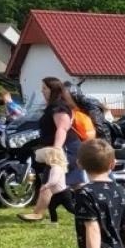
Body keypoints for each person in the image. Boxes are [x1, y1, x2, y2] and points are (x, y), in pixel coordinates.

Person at [18, 77, 91, 223]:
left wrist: (57, 149)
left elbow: (62, 128)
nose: (42, 91)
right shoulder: (54, 106)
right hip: (66, 147)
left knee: (50, 179)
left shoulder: (59, 107)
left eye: (45, 88)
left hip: (66, 148)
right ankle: (91, 208)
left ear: (53, 90)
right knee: (76, 183)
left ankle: (38, 213)